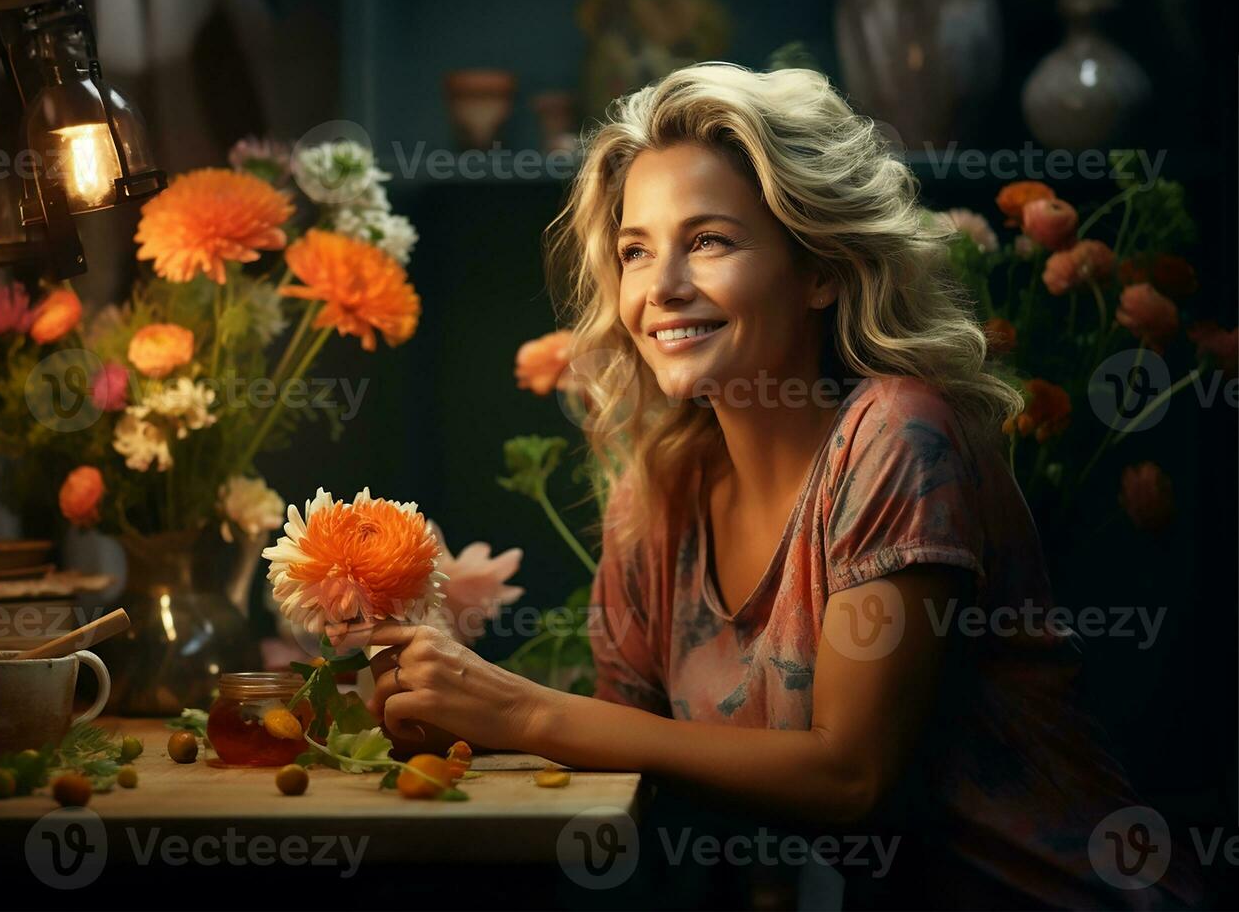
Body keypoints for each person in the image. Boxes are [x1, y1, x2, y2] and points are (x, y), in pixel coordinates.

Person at [365, 63, 1194, 908]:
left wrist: (524, 713)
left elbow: (849, 777)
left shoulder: (896, 436)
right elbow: (625, 762)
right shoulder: (653, 496)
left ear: (820, 270)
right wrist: (453, 722)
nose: (661, 289)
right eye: (635, 251)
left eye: (709, 241)